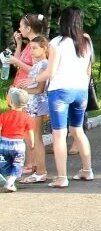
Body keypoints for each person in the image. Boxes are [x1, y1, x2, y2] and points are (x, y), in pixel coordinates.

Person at [40, 7, 95, 188]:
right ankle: (87, 170)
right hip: (81, 90)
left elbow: (51, 71)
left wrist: (33, 78)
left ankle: (61, 177)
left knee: (59, 134)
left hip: (60, 91)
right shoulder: (86, 40)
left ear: (63, 21)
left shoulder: (56, 42)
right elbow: (88, 69)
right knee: (77, 130)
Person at [19, 36, 51, 183]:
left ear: (44, 48)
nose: (31, 51)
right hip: (31, 104)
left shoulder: (44, 64)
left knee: (37, 138)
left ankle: (41, 170)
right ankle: (37, 168)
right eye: (30, 48)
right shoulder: (38, 64)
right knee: (32, 138)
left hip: (37, 104)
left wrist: (23, 92)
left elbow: (39, 89)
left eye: (34, 48)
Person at [0, 88, 35, 192]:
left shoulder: (4, 115)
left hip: (4, 144)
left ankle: (9, 183)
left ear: (10, 102)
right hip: (18, 145)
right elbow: (30, 132)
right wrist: (32, 143)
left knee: (6, 164)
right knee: (18, 164)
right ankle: (10, 183)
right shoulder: (27, 117)